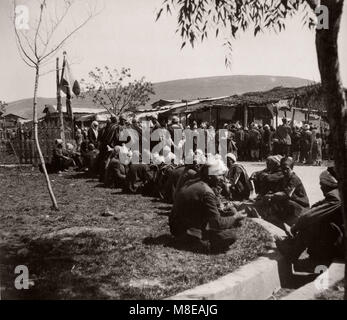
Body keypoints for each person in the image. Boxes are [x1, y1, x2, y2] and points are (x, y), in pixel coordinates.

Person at [169, 157, 246, 253]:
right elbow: (217, 223)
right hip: (187, 232)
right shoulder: (207, 191)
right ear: (210, 176)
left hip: (175, 228)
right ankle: (202, 244)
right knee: (231, 236)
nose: (222, 179)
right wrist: (235, 217)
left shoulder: (191, 182)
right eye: (219, 175)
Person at [277, 169, 343, 263]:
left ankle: (291, 253)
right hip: (340, 238)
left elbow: (310, 216)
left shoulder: (335, 197)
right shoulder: (337, 193)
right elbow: (317, 206)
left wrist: (295, 228)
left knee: (314, 223)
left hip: (341, 243)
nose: (321, 187)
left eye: (322, 184)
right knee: (315, 220)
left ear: (328, 184)